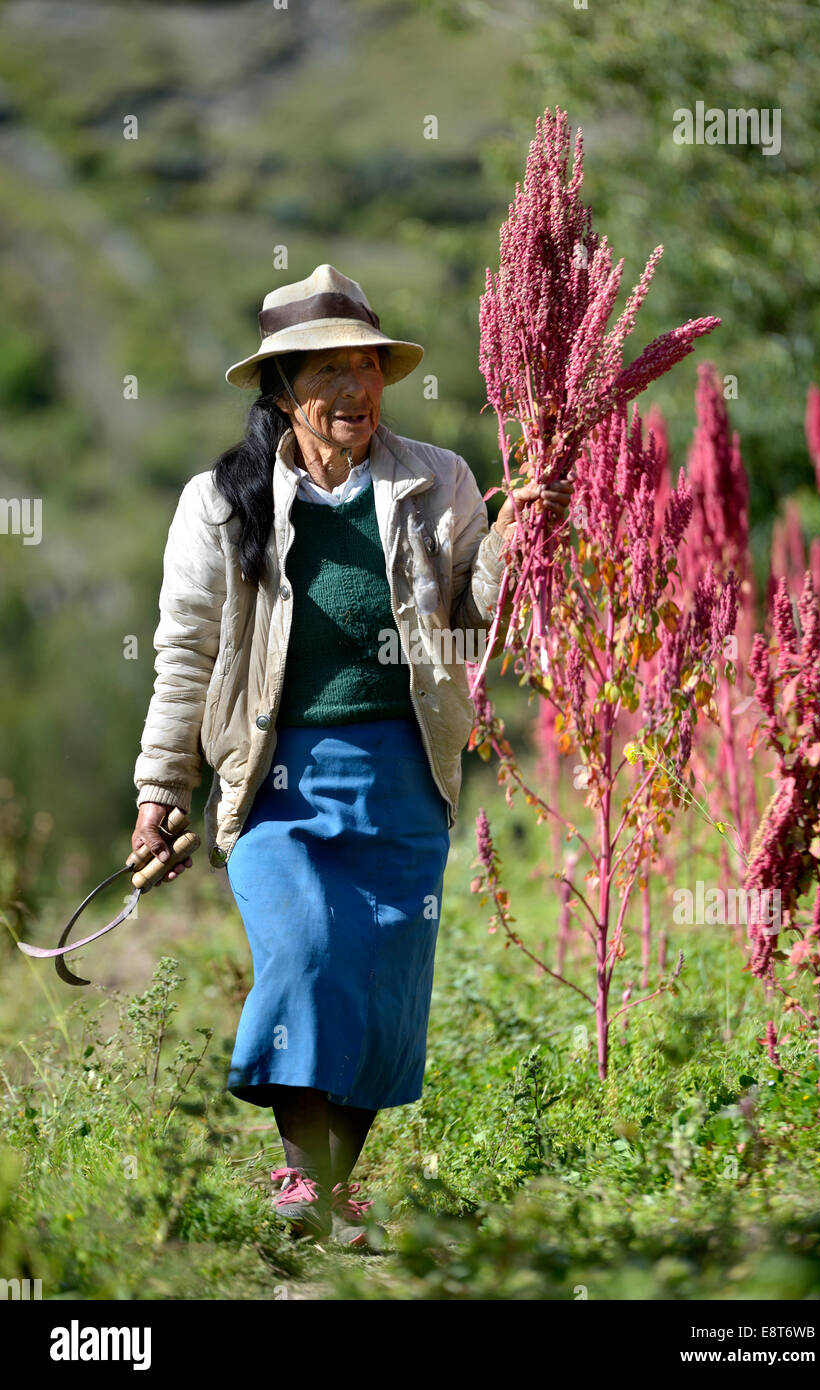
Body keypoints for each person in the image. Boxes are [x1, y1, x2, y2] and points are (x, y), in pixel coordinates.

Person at [130, 264, 571, 1245]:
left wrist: (514, 543)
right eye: (323, 371)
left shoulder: (436, 479)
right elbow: (185, 651)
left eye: (364, 364)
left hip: (403, 777)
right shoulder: (220, 502)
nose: (351, 388)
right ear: (280, 392)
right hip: (276, 778)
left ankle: (328, 1193)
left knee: (378, 990)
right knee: (308, 951)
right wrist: (161, 790)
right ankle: (301, 1177)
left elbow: (467, 628)